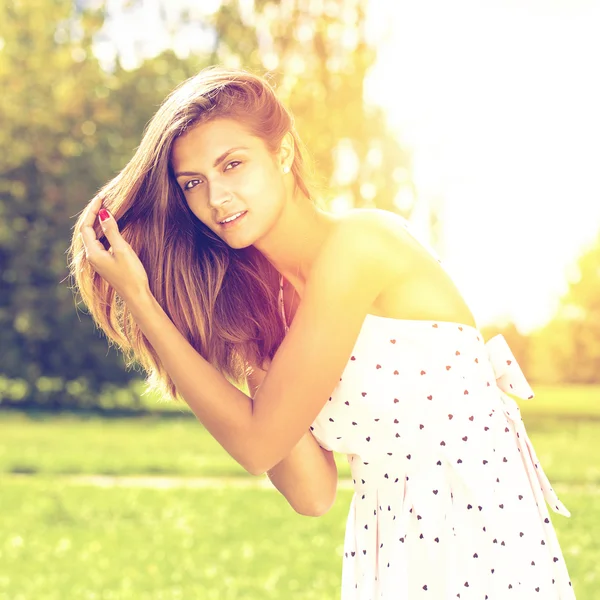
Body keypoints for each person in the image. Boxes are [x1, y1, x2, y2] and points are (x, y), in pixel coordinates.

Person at [69, 66, 576, 599]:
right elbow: (312, 493)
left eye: (233, 165)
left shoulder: (360, 247)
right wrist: (241, 341)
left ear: (283, 153)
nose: (216, 198)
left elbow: (256, 444)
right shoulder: (270, 313)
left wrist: (143, 303)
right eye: (193, 183)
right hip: (389, 549)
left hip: (478, 536)